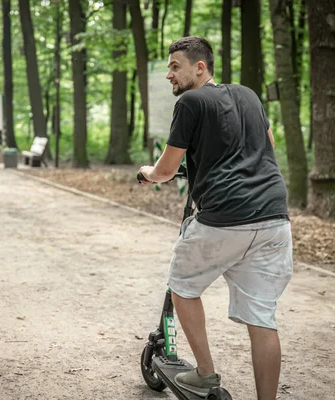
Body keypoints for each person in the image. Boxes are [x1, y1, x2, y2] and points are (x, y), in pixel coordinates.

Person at [137, 36, 293, 400]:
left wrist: (146, 172)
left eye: (175, 67)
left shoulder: (191, 102)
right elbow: (265, 146)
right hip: (273, 218)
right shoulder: (248, 95)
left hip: (225, 217)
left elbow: (166, 169)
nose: (169, 75)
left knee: (183, 286)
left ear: (200, 67)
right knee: (262, 318)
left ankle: (205, 374)